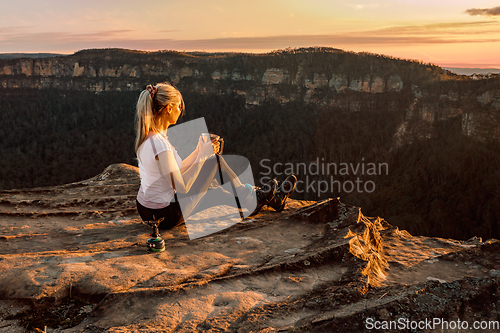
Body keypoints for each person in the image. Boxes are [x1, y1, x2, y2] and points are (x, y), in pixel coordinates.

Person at [134, 82, 297, 229]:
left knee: (218, 195)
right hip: (165, 215)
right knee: (215, 161)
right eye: (179, 106)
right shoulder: (160, 145)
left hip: (147, 210)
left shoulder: (149, 137)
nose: (181, 109)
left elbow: (175, 171)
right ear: (169, 108)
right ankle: (256, 199)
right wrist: (203, 157)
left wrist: (198, 151)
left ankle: (269, 200)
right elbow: (182, 185)